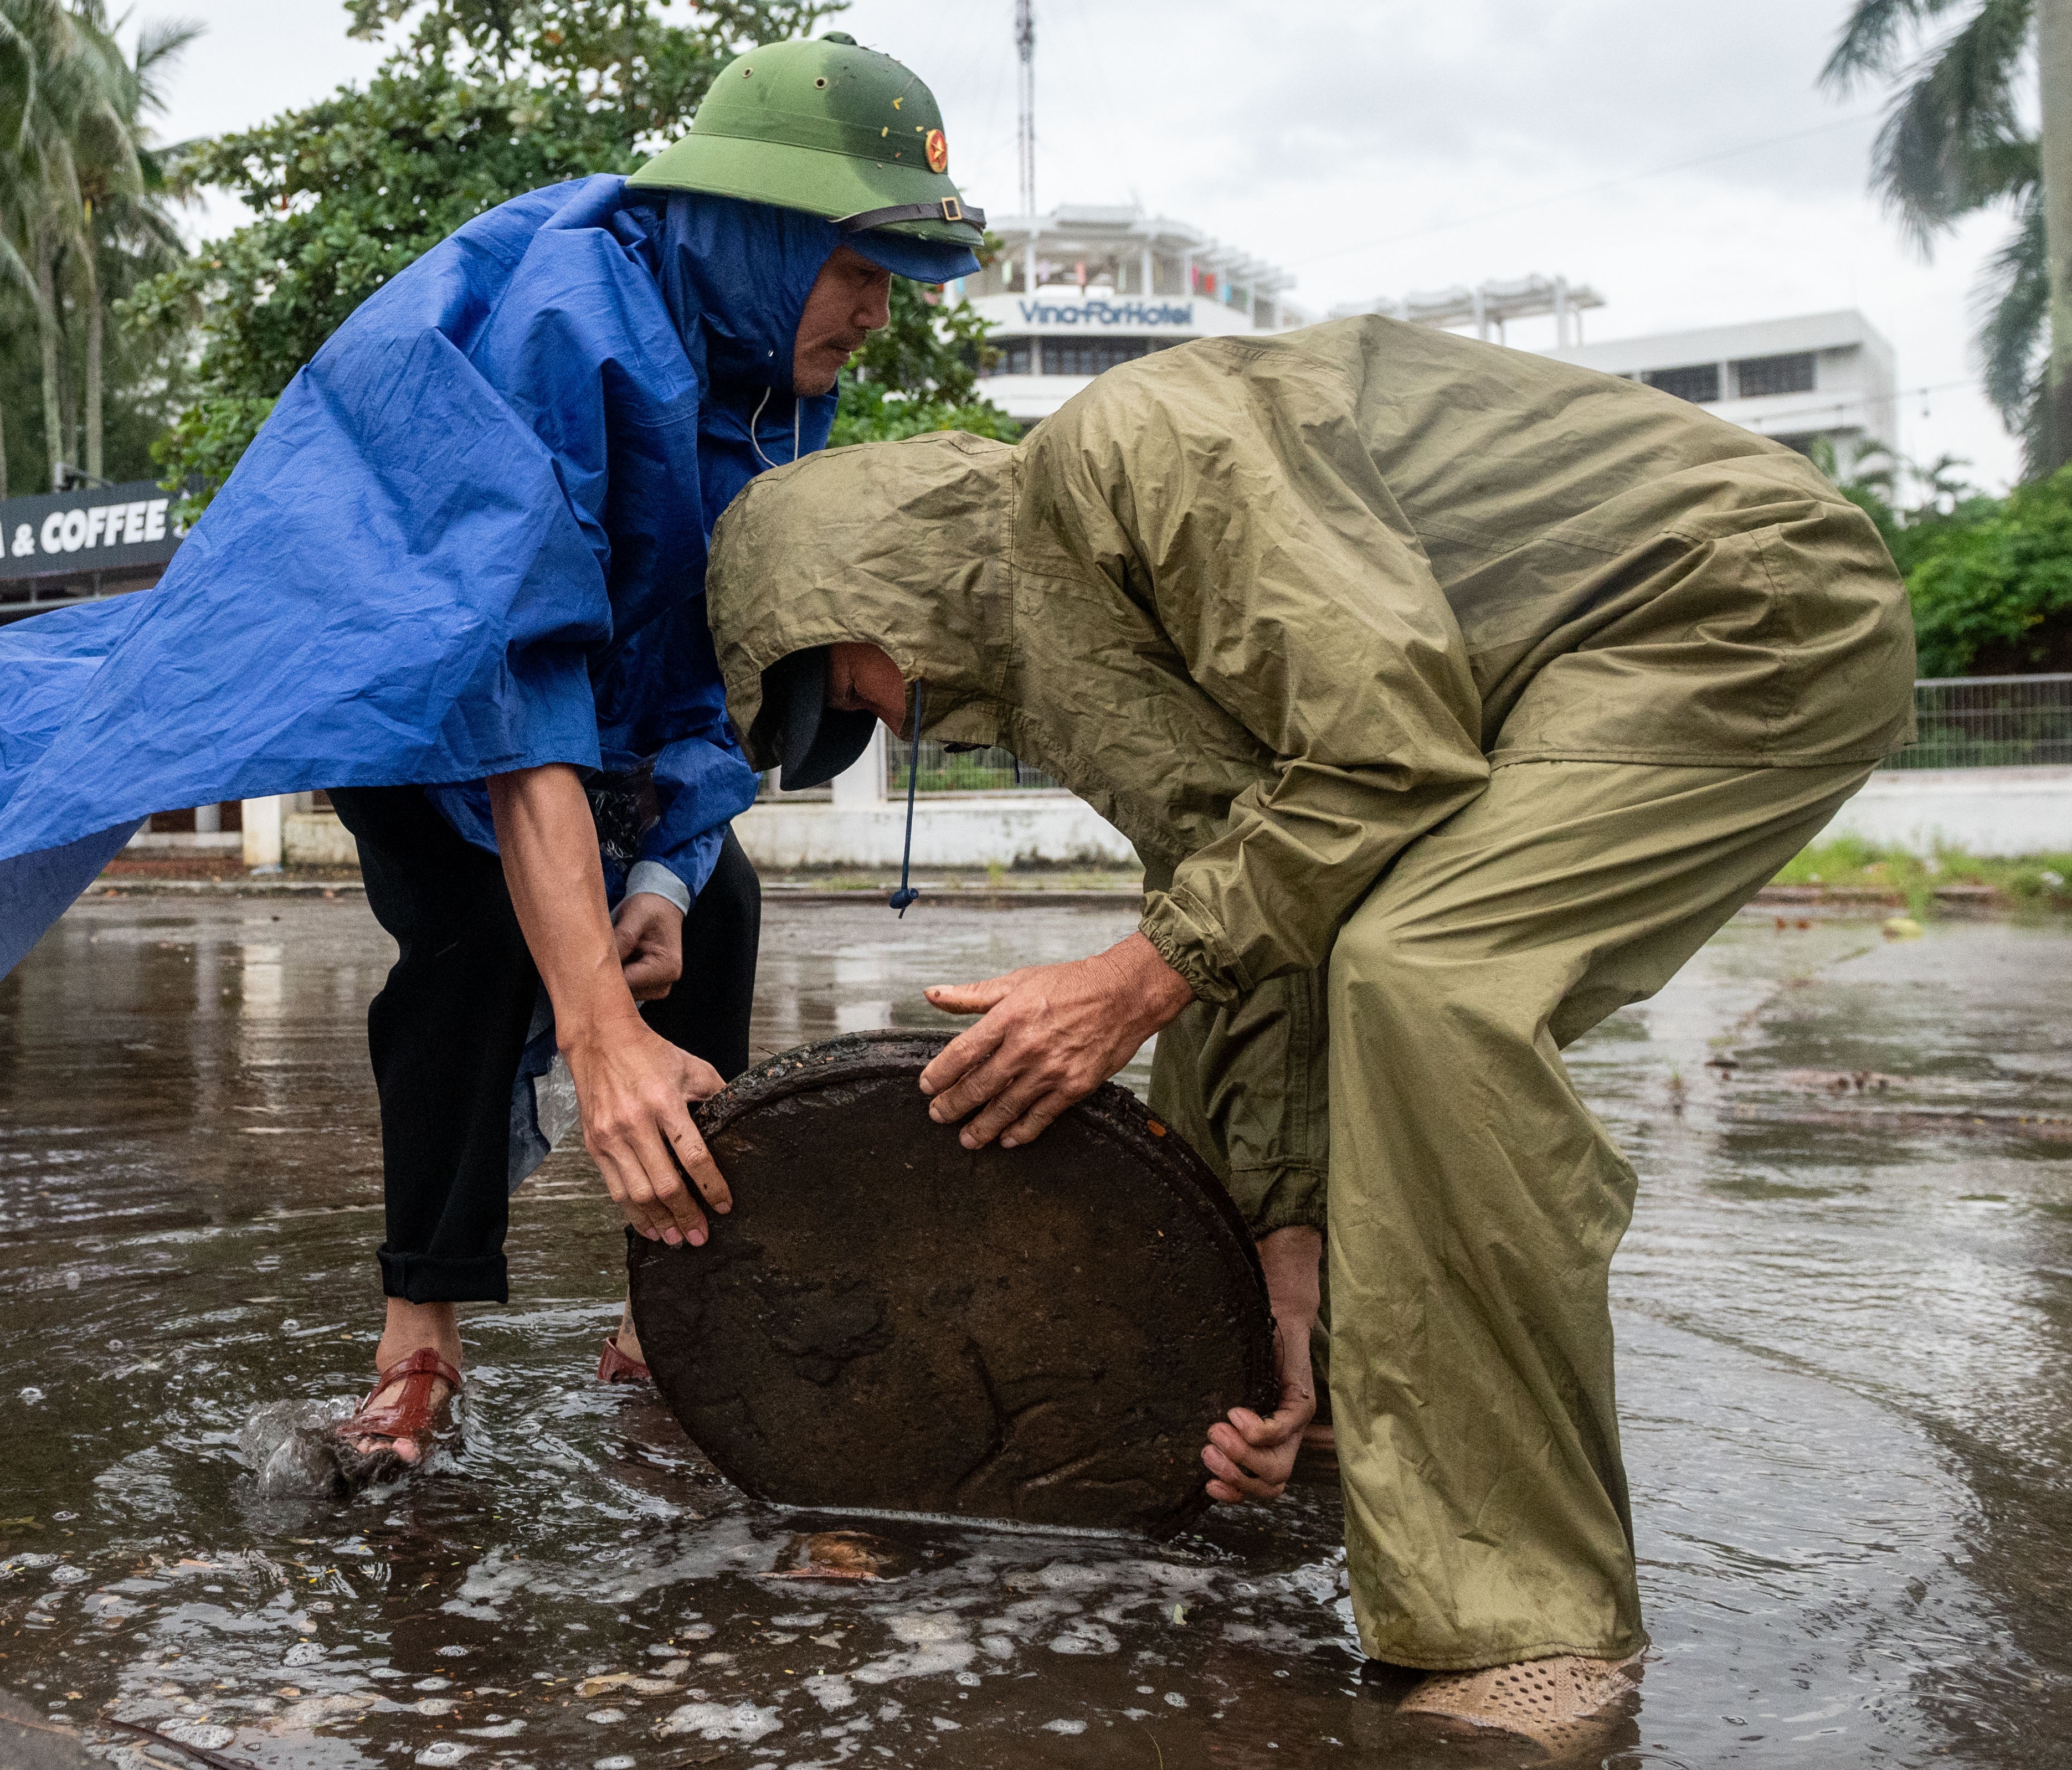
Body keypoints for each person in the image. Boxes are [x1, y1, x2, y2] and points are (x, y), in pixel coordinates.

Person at [704, 315, 1914, 1743]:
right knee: (1308, 965)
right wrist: (1280, 1286)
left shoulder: (1133, 459)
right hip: (1559, 676)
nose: (901, 723)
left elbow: (1384, 755)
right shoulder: (1093, 645)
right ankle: (1357, 1398)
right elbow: (1265, 928)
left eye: (857, 688)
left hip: (1726, 610)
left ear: (882, 583)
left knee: (1435, 982)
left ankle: (1537, 1618)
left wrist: (1130, 980)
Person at [0, 34, 986, 1465]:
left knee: (720, 914)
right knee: (480, 947)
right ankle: (415, 1344)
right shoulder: (566, 319)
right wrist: (595, 1029)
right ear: (759, 229)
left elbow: (703, 664)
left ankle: (668, 1307)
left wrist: (667, 875)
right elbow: (511, 694)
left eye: (892, 279)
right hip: (412, 676)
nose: (877, 313)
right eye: (858, 269)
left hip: (588, 703)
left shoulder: (770, 383)